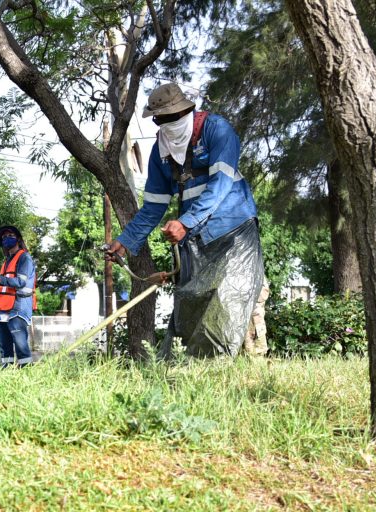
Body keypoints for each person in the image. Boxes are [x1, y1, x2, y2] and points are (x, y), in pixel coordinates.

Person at [107, 83, 264, 357]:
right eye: (161, 119)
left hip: (234, 231)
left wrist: (186, 222)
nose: (168, 124)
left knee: (231, 302)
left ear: (186, 110)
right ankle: (192, 371)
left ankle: (242, 367)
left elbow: (221, 185)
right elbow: (153, 207)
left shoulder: (217, 130)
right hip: (196, 240)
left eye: (173, 117)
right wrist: (126, 240)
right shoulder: (160, 152)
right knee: (193, 306)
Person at [0, 225, 37, 367]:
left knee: (20, 342)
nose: (7, 238)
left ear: (17, 238)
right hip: (3, 306)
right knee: (4, 343)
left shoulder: (24, 258)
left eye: (10, 235)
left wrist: (1, 279)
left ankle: (26, 370)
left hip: (19, 305)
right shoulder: (7, 261)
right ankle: (7, 370)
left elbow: (21, 282)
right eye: (4, 237)